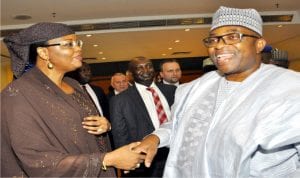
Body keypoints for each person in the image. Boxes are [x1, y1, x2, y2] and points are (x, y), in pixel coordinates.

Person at [134, 6, 300, 178]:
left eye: (233, 36)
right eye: (213, 40)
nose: (219, 45)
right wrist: (155, 138)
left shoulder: (290, 89)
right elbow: (177, 125)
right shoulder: (196, 87)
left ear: (259, 44)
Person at [1, 22, 145, 177]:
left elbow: (74, 130)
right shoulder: (17, 95)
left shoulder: (73, 84)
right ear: (43, 53)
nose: (78, 49)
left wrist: (104, 126)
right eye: (69, 44)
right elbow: (36, 159)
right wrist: (106, 160)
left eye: (77, 43)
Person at [109, 56, 176, 177]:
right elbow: (120, 136)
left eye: (149, 66)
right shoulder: (120, 100)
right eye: (139, 68)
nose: (146, 70)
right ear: (130, 74)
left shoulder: (173, 91)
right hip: (145, 163)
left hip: (176, 155)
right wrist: (128, 162)